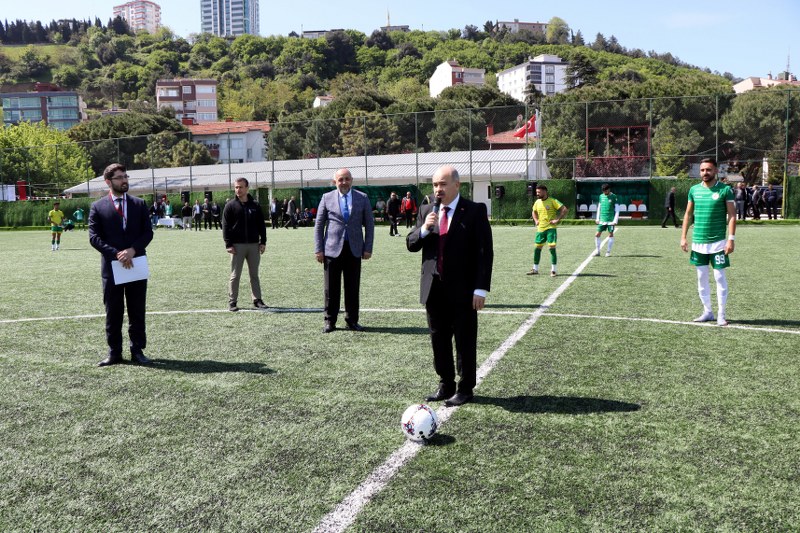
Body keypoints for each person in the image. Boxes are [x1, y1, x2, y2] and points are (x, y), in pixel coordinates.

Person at [407, 165, 493, 407]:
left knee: (465, 339)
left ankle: (466, 388)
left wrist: (480, 289)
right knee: (438, 338)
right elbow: (411, 244)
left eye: (443, 184)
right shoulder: (426, 211)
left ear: (457, 185)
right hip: (433, 288)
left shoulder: (475, 211)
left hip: (464, 290)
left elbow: (484, 252)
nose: (438, 189)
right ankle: (445, 384)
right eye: (435, 185)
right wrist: (424, 230)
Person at [89, 163, 154, 366]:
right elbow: (94, 238)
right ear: (108, 182)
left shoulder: (139, 204)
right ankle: (114, 352)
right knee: (113, 311)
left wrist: (133, 250)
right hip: (112, 268)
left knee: (137, 311)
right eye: (119, 177)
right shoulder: (98, 207)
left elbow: (148, 232)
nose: (124, 180)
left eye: (126, 176)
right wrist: (117, 254)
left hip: (136, 264)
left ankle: (138, 351)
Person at [314, 168, 375, 333]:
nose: (344, 182)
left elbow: (369, 225)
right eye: (340, 179)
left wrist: (368, 247)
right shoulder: (326, 198)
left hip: (354, 250)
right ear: (335, 181)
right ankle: (330, 321)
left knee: (352, 288)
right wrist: (318, 249)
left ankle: (352, 320)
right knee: (330, 289)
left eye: (347, 179)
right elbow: (319, 226)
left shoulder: (362, 198)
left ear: (352, 180)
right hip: (331, 250)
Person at [680, 158, 736, 327]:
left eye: (708, 170)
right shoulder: (694, 190)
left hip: (718, 243)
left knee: (719, 277)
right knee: (701, 277)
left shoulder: (725, 190)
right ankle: (707, 311)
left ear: (716, 171)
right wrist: (683, 237)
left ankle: (721, 314)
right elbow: (688, 215)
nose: (705, 173)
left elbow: (732, 216)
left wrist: (730, 240)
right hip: (698, 242)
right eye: (703, 170)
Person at [222, 177, 268, 312]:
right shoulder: (230, 206)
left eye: (241, 187)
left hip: (254, 245)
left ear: (247, 188)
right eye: (236, 187)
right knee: (235, 275)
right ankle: (232, 301)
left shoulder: (255, 205)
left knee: (254, 274)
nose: (238, 190)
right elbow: (225, 226)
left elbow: (261, 225)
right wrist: (228, 244)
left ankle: (257, 300)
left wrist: (263, 242)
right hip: (237, 246)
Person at [528, 184, 567, 277]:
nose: (537, 194)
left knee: (551, 248)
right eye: (536, 192)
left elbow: (564, 209)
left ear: (545, 192)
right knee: (537, 248)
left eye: (539, 192)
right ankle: (535, 269)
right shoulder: (537, 202)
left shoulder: (553, 200)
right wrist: (536, 220)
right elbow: (533, 211)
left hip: (550, 228)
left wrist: (557, 219)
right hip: (540, 229)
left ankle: (553, 270)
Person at [594, 183, 619, 257]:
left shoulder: (614, 196)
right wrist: (597, 218)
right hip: (602, 219)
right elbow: (599, 207)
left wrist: (615, 220)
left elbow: (617, 209)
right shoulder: (601, 196)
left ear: (609, 189)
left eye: (605, 191)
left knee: (610, 234)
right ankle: (598, 251)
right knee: (597, 234)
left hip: (610, 220)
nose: (604, 192)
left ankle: (608, 252)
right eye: (603, 191)